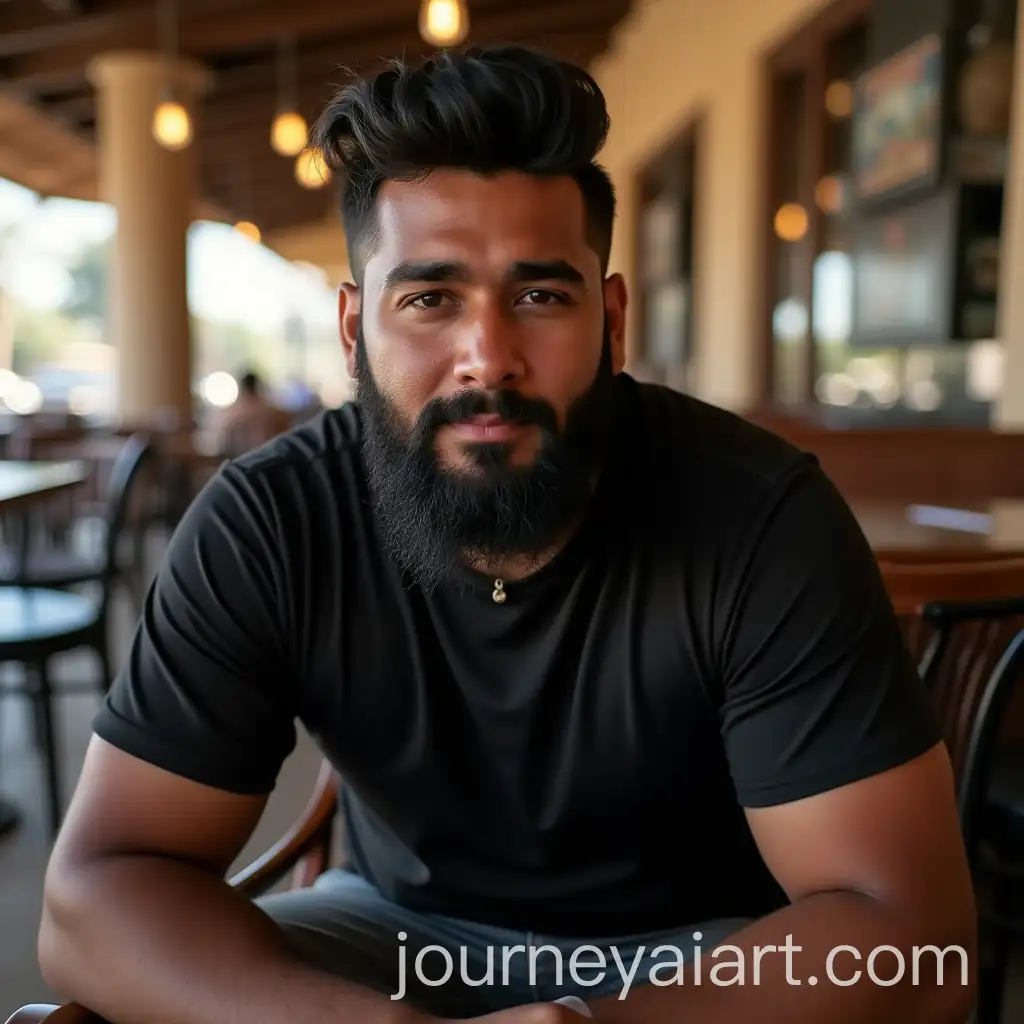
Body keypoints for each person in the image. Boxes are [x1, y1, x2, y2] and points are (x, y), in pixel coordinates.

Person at [38, 44, 975, 1024]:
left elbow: (911, 934)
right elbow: (91, 895)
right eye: (430, 298)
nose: (487, 357)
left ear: (610, 318)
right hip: (389, 938)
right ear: (355, 330)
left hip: (699, 955)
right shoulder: (270, 519)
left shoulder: (758, 514)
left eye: (539, 295)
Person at [212, 367, 291, 456]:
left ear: (242, 388)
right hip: (269, 459)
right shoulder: (271, 411)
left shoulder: (234, 414)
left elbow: (222, 441)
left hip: (241, 461)